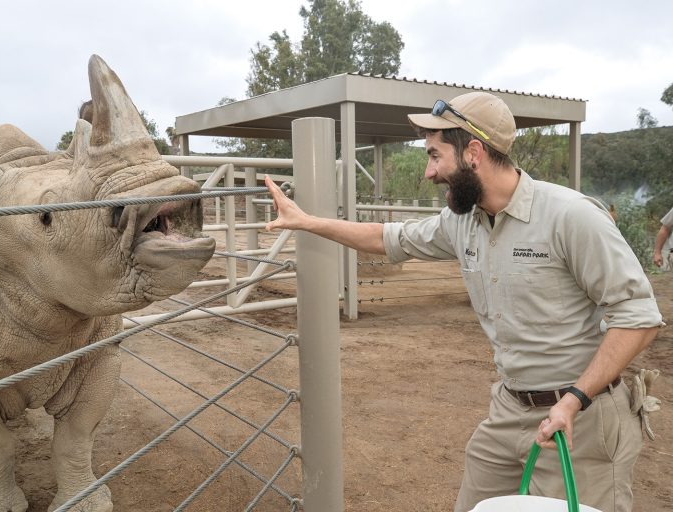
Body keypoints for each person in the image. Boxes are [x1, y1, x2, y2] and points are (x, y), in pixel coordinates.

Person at [264, 91, 661, 512]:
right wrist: (306, 222)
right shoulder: (462, 222)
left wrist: (574, 399)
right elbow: (387, 237)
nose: (427, 172)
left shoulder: (571, 217)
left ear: (473, 152)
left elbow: (638, 318)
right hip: (510, 407)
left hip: (583, 415)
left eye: (435, 156)